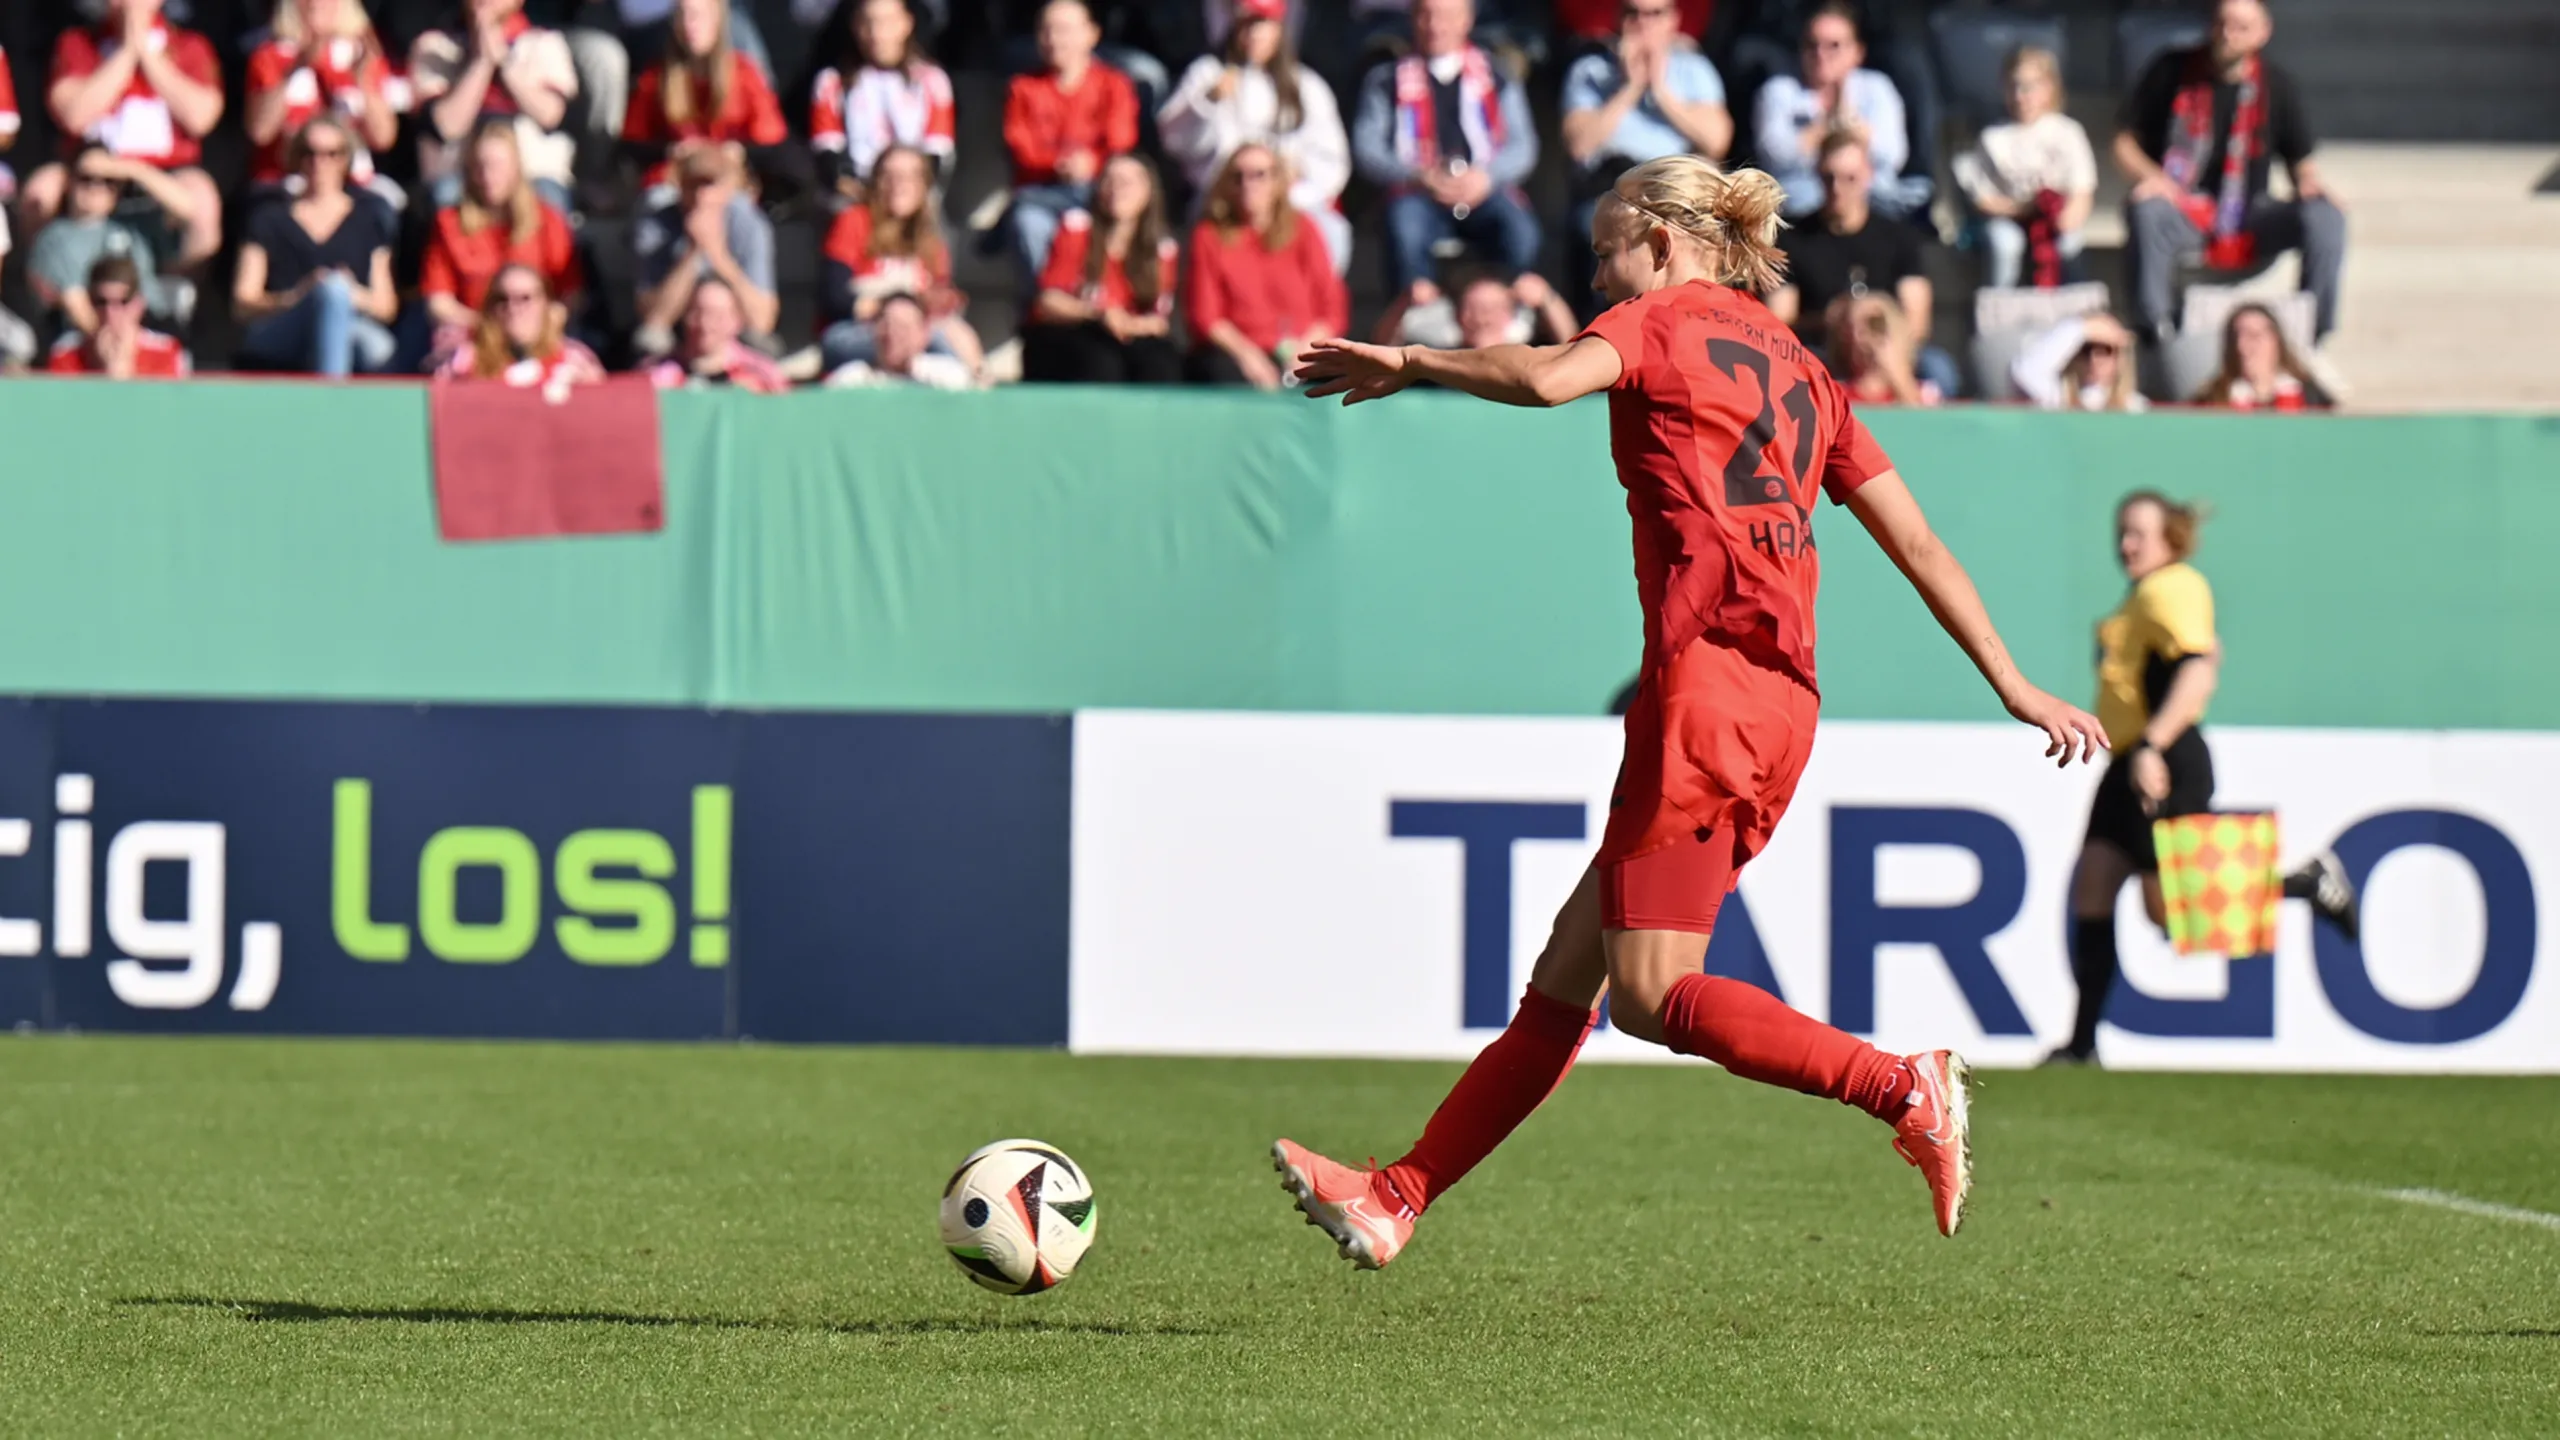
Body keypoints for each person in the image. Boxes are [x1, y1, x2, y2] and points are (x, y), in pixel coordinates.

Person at [1283, 154, 2110, 1264]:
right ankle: (1395, 1196)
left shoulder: (1657, 324)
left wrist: (1415, 358)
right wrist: (2011, 682)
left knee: (1650, 992)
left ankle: (1900, 1086)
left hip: (1706, 689)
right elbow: (1915, 541)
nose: (1596, 275)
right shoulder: (1806, 372)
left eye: (1605, 249)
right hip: (1779, 700)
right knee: (1568, 978)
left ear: (1663, 245)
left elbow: (1543, 380)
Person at [2044, 492, 2357, 1067]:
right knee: (2094, 884)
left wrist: (2154, 747)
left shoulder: (2174, 587)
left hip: (2160, 760)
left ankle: (2305, 882)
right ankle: (2082, 1044)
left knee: (2175, 909)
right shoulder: (2144, 593)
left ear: (2172, 539)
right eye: (2122, 532)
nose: (2126, 544)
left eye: (2139, 532)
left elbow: (2198, 669)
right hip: (2129, 761)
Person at [2117, 0, 2344, 343]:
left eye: (2241, 27)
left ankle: (2311, 332)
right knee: (2146, 210)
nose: (2228, 34)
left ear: (2263, 33)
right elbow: (2124, 142)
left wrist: (2310, 185)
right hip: (2183, 205)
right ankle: (2154, 330)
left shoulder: (2277, 85)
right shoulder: (2171, 70)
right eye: (2222, 23)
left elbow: (2301, 161)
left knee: (2326, 217)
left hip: (2251, 212)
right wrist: (2152, 178)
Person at [1352, 0, 1540, 300]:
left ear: (1467, 19)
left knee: (1520, 230)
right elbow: (1367, 150)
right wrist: (1417, 175)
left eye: (1447, 16)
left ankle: (1506, 317)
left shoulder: (1498, 75)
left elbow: (1524, 147)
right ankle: (1414, 321)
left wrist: (1486, 177)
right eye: (1426, 16)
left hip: (1484, 189)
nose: (1435, 26)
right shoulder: (1385, 80)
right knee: (1405, 228)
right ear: (1413, 18)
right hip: (1418, 193)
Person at [22, 0, 226, 271]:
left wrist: (148, 54)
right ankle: (50, 281)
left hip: (164, 171)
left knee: (204, 204)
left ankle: (172, 288)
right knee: (41, 191)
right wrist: (126, 52)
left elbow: (201, 119)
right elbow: (73, 115)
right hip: (92, 163)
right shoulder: (78, 42)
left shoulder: (190, 45)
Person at [1559, 0, 1729, 307]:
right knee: (1595, 230)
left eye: (1654, 13)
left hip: (1673, 189)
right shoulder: (1589, 71)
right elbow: (1578, 144)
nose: (1643, 22)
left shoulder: (1693, 69)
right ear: (1618, 18)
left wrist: (1661, 91)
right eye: (1632, 12)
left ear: (1672, 20)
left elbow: (1717, 140)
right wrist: (1630, 87)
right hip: (1611, 188)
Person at [1158, 0, 1351, 271]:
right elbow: (1175, 141)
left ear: (1279, 31)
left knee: (1331, 231)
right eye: (1246, 26)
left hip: (1292, 202)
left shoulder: (1306, 84)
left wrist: (1289, 186)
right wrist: (1208, 102)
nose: (1253, 35)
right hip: (1224, 202)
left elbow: (1332, 162)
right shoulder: (1208, 73)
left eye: (1262, 26)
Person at [1768, 130, 1959, 396]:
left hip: (1888, 347)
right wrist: (1833, 320)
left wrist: (1877, 333)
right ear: (1816, 175)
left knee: (1938, 369)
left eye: (1850, 178)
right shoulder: (1793, 240)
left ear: (1868, 175)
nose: (1838, 188)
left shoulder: (1898, 236)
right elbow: (1779, 321)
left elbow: (1917, 323)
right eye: (1828, 178)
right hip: (1823, 349)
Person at [231, 116, 401, 376]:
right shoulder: (268, 217)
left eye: (331, 154)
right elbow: (243, 302)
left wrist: (347, 294)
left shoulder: (369, 218)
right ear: (297, 157)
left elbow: (386, 305)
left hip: (350, 321)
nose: (319, 163)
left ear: (345, 159)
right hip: (283, 325)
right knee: (330, 293)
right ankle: (331, 400)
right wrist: (300, 296)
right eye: (309, 153)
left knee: (354, 321)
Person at [1003, 0, 1141, 292]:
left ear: (1091, 34)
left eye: (1064, 30)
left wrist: (1092, 162)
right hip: (1043, 190)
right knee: (1027, 221)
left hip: (1096, 189)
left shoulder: (1115, 84)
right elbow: (1020, 146)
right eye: (1046, 30)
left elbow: (1121, 140)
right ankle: (1045, 312)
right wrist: (1057, 164)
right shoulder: (1022, 87)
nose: (1053, 39)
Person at [1182, 143, 1345, 388]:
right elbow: (1205, 316)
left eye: (1259, 174)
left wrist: (1305, 351)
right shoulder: (1208, 236)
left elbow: (1331, 307)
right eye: (1238, 176)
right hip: (1237, 352)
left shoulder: (1304, 229)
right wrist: (1248, 356)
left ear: (1277, 181)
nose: (1248, 183)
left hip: (1300, 349)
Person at [1752, 1, 1925, 221]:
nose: (1821, 54)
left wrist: (1824, 136)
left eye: (1833, 45)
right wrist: (1831, 127)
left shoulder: (1877, 87)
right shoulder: (1778, 91)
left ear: (1857, 52)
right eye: (1812, 44)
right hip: (1802, 199)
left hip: (1873, 197)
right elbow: (1774, 156)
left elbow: (1892, 155)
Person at [817, 142, 982, 374]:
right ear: (875, 182)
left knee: (958, 336)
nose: (898, 186)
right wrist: (889, 308)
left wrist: (940, 302)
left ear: (924, 185)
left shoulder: (931, 241)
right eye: (888, 176)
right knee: (931, 341)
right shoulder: (853, 221)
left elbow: (937, 300)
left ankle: (974, 389)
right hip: (858, 333)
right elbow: (834, 298)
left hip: (917, 332)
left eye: (909, 177)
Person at [1022, 153, 1182, 384]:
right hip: (1071, 331)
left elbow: (1158, 320)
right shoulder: (1077, 229)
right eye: (1109, 180)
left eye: (1126, 182)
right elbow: (1048, 301)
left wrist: (1132, 324)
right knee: (1101, 361)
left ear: (1149, 192)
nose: (1117, 189)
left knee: (1162, 364)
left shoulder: (1162, 249)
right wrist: (1099, 314)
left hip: (1129, 335)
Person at [409, 0, 580, 212]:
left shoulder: (544, 43)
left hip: (532, 175)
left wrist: (504, 64)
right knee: (445, 196)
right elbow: (446, 127)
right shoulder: (433, 46)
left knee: (549, 200)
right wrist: (481, 63)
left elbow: (551, 116)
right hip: (458, 177)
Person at [421, 119, 582, 343]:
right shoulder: (449, 223)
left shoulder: (547, 219)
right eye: (480, 166)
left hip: (539, 335)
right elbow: (439, 302)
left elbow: (570, 295)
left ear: (516, 167)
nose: (487, 176)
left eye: (497, 166)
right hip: (473, 334)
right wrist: (489, 329)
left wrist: (533, 327)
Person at [1953, 45, 2095, 291]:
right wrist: (2027, 209)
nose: (2021, 95)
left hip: (2056, 222)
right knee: (2005, 243)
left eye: (2029, 87)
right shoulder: (1993, 137)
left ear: (2049, 87)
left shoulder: (2068, 132)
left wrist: (2061, 220)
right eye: (2013, 86)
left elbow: (2082, 192)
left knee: (2069, 244)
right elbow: (1984, 199)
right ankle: (1997, 314)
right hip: (2009, 219)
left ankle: (2073, 314)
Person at [621, 0, 789, 192]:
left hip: (729, 182)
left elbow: (773, 143)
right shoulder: (657, 77)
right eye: (681, 15)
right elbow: (633, 143)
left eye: (697, 16)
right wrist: (671, 150)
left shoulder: (745, 74)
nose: (688, 24)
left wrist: (739, 150)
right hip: (674, 183)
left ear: (717, 19)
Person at [633, 142, 778, 357]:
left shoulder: (750, 225)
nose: (701, 196)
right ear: (680, 188)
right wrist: (693, 252)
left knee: (763, 345)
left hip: (731, 330)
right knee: (649, 342)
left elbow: (762, 320)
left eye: (710, 185)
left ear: (728, 188)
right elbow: (653, 318)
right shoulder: (656, 225)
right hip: (680, 329)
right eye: (693, 186)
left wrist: (719, 257)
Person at [244, 0, 400, 197]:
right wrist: (296, 68)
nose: (315, 3)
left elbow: (383, 138)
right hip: (284, 182)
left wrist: (362, 82)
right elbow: (260, 132)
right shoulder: (270, 56)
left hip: (352, 186)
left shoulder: (361, 55)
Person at [805, 0, 957, 197]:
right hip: (856, 195)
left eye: (887, 22)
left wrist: (911, 191)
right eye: (868, 23)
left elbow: (939, 149)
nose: (876, 34)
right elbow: (826, 146)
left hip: (914, 196)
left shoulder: (933, 80)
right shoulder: (832, 82)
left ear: (907, 23)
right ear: (855, 25)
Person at [25, 145, 182, 334]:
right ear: (70, 182)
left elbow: (188, 209)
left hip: (156, 327)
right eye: (86, 178)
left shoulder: (135, 224)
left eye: (107, 180)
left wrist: (133, 169)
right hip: (96, 342)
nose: (95, 187)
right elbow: (79, 312)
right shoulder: (54, 239)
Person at [438, 262, 606, 385]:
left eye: (525, 298)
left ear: (546, 304)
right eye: (502, 299)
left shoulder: (574, 359)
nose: (513, 308)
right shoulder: (465, 360)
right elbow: (440, 410)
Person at [42, 255, 190, 377]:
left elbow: (168, 408)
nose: (110, 313)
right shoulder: (66, 353)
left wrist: (122, 372)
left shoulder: (166, 352)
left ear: (138, 304)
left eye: (122, 302)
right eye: (101, 302)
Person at [647, 275, 791, 390]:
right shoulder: (655, 375)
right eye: (696, 313)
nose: (705, 324)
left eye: (717, 316)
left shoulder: (764, 377)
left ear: (737, 320)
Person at [1373, 269, 1575, 349]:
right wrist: (1403, 304)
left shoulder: (1531, 349)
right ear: (1457, 315)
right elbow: (1383, 346)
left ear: (1510, 315)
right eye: (1472, 308)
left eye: (1492, 308)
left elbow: (1571, 346)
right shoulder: (1436, 353)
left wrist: (1548, 299)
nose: (1482, 318)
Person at [2192, 301, 2329, 410]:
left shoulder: (2310, 396)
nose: (2253, 344)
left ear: (2276, 342)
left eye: (2260, 334)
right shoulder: (2212, 399)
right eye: (2244, 334)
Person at [824, 290, 976, 387]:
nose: (893, 336)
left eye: (903, 328)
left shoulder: (948, 377)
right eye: (887, 326)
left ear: (923, 334)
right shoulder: (850, 381)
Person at [2009, 312, 2146, 413]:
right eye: (2085, 349)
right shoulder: (2059, 398)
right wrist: (2082, 328)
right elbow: (2025, 370)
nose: (2094, 358)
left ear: (2120, 358)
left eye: (2106, 350)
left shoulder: (2135, 407)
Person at [1826, 291, 1939, 407]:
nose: (1866, 334)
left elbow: (1925, 421)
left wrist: (1898, 377)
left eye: (1876, 323)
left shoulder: (1926, 392)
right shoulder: (1836, 395)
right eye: (1854, 326)